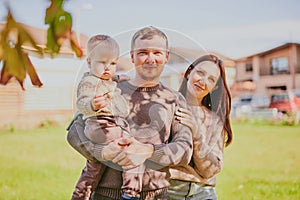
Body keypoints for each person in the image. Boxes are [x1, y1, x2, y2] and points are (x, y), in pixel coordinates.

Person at [67, 26, 193, 200]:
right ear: (132, 57)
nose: (150, 59)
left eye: (157, 52)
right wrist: (100, 151)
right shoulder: (109, 88)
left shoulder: (175, 99)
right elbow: (74, 132)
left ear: (166, 57)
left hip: (156, 195)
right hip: (105, 194)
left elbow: (185, 150)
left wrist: (148, 151)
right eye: (143, 52)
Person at [71, 34, 145, 200]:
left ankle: (80, 196)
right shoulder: (89, 82)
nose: (107, 68)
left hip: (107, 127)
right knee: (132, 152)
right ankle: (131, 192)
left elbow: (112, 81)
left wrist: (119, 78)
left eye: (112, 63)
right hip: (101, 126)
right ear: (89, 62)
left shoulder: (108, 80)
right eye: (102, 62)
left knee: (92, 170)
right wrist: (92, 104)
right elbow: (81, 102)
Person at [167, 54, 233, 200]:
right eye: (200, 73)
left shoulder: (214, 120)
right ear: (189, 72)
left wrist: (196, 134)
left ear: (214, 87)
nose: (203, 81)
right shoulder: (166, 107)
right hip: (169, 190)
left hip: (203, 193)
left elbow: (211, 170)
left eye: (211, 79)